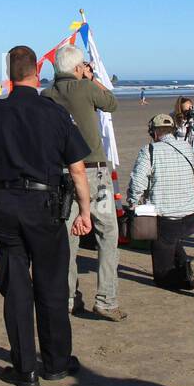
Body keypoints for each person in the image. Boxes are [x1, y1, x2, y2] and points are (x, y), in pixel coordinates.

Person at [0, 45, 92, 386]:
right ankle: (56, 363)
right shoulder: (55, 112)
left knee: (16, 289)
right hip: (44, 206)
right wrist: (86, 210)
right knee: (51, 283)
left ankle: (25, 369)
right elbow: (77, 168)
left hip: (3, 205)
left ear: (9, 75)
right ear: (37, 73)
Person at [43, 44, 122, 320]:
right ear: (78, 68)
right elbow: (111, 103)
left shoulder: (47, 95)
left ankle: (68, 297)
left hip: (61, 173)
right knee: (107, 234)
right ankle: (106, 299)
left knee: (67, 239)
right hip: (93, 171)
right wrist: (90, 78)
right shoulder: (87, 89)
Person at [126, 113, 194, 295]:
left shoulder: (150, 150)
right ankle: (188, 266)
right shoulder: (185, 147)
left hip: (166, 219)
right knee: (173, 241)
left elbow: (137, 183)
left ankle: (188, 279)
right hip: (189, 216)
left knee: (161, 277)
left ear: (154, 133)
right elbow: (193, 166)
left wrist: (133, 203)